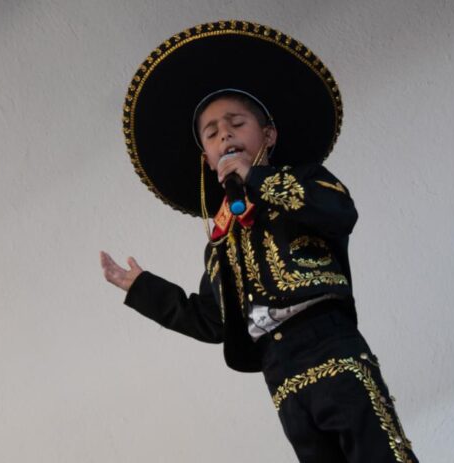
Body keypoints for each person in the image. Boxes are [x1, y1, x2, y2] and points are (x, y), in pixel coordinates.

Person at [101, 20, 419, 463]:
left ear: (267, 135)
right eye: (212, 133)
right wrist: (143, 289)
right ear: (207, 158)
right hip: (278, 369)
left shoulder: (303, 182)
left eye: (236, 123)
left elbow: (339, 212)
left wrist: (257, 179)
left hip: (329, 341)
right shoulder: (220, 237)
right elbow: (213, 320)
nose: (225, 134)